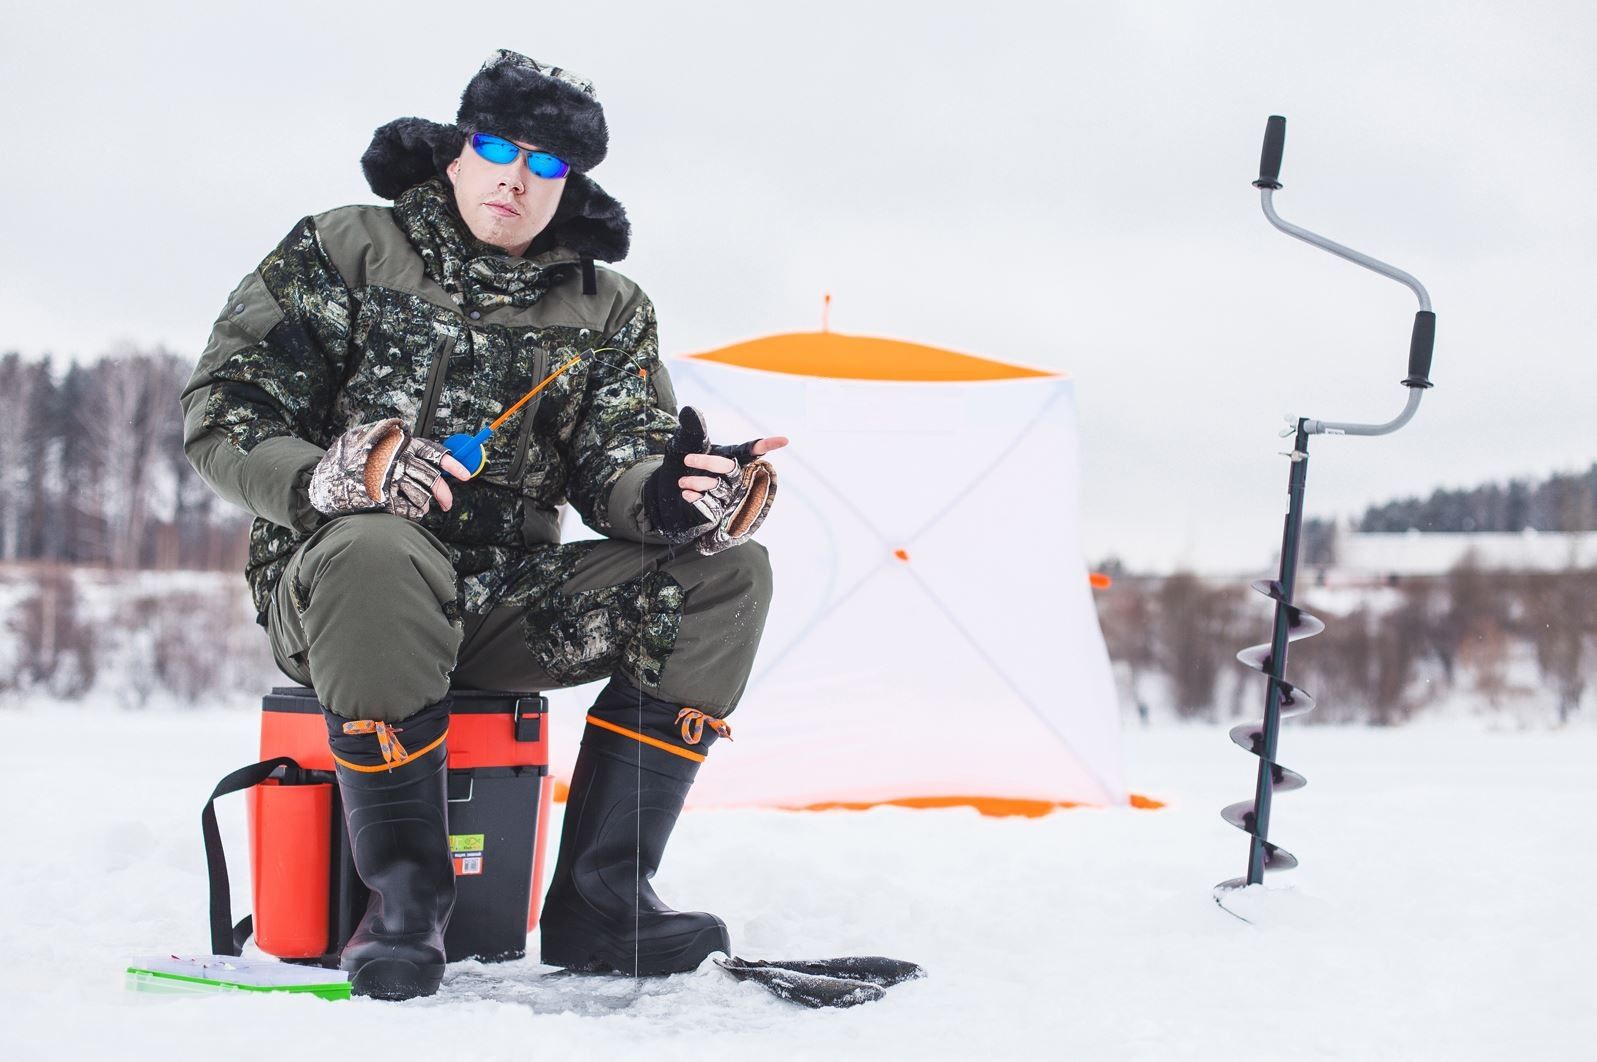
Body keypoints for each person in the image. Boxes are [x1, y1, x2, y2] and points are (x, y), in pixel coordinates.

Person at [179, 50, 787, 1000]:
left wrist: (673, 497)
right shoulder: (343, 248)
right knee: (379, 546)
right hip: (340, 591)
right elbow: (224, 414)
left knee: (725, 575)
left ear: (569, 183)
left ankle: (603, 900)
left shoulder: (608, 307)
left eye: (545, 164)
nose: (515, 176)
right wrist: (326, 479)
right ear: (458, 151)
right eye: (497, 147)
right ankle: (407, 904)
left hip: (502, 605)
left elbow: (618, 460)